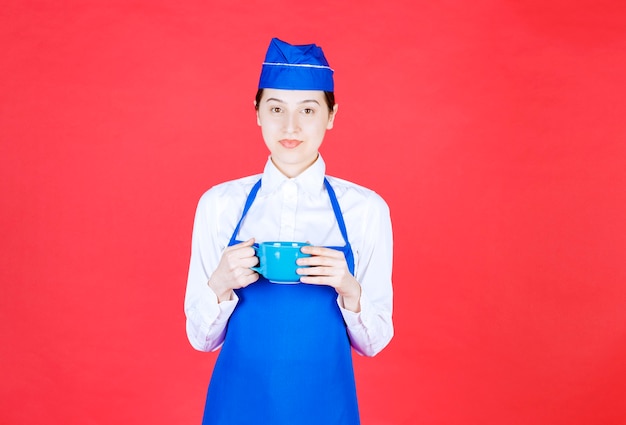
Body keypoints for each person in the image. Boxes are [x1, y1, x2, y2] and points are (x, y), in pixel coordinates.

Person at [184, 37, 394, 425]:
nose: (291, 126)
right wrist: (219, 284)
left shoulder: (365, 210)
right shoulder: (219, 204)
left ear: (331, 115)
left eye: (309, 109)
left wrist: (349, 288)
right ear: (257, 113)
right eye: (276, 108)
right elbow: (201, 339)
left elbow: (374, 343)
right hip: (236, 407)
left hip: (328, 408)